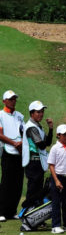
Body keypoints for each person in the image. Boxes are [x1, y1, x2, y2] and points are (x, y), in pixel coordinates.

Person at [21, 101, 53, 209]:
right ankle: (27, 215)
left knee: (38, 189)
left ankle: (36, 216)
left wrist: (51, 128)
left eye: (42, 112)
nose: (41, 114)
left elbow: (47, 143)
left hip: (38, 162)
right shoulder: (31, 127)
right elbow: (42, 146)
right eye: (38, 112)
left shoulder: (38, 126)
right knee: (33, 189)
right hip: (33, 162)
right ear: (32, 113)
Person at [48, 124, 66, 234]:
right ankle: (55, 226)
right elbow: (51, 165)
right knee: (56, 202)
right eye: (64, 134)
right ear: (58, 135)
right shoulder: (55, 148)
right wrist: (56, 180)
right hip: (58, 177)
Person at [0, 90, 25, 222]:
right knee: (6, 182)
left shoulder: (20, 116)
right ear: (4, 101)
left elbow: (24, 132)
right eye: (10, 99)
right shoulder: (0, 115)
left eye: (14, 98)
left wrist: (21, 143)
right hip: (8, 151)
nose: (13, 101)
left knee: (18, 182)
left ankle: (12, 211)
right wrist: (13, 143)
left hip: (19, 152)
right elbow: (0, 134)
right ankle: (2, 211)